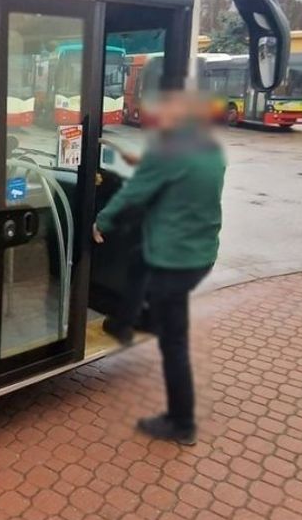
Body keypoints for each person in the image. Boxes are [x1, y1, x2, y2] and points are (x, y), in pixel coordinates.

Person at [92, 91, 225, 445]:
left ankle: (181, 424)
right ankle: (131, 320)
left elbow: (132, 193)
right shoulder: (209, 152)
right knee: (137, 263)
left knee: (175, 343)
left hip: (174, 259)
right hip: (200, 253)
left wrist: (102, 221)